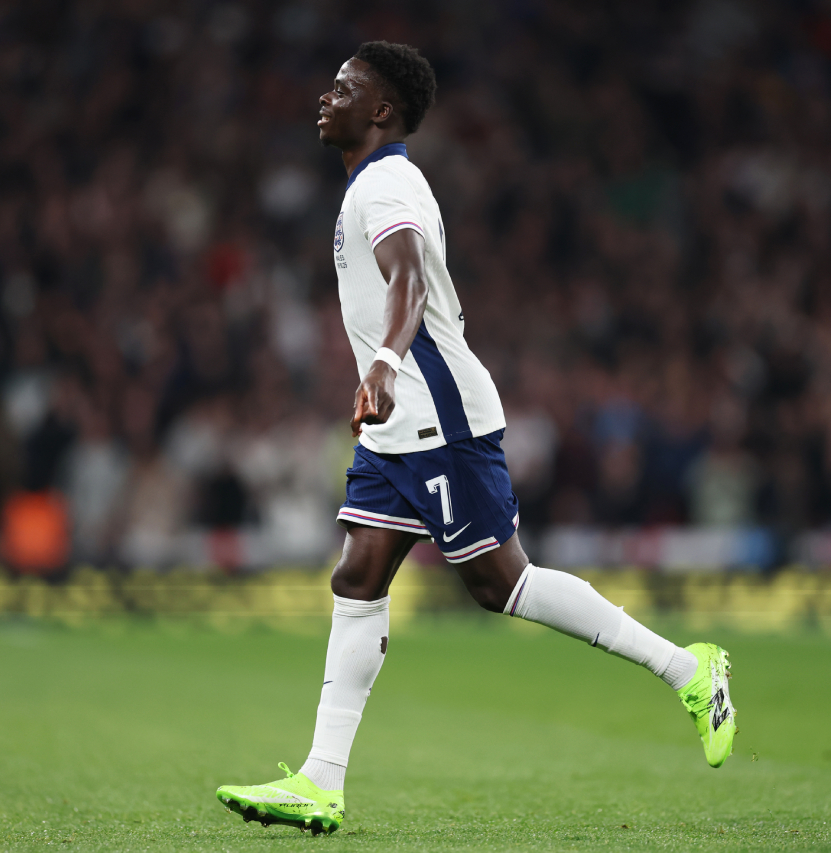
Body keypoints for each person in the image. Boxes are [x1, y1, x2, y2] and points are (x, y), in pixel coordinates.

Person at [216, 42, 736, 836]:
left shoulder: (387, 182)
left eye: (345, 87)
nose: (326, 96)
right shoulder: (369, 183)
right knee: (358, 574)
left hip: (437, 416)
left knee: (501, 583)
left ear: (381, 110)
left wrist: (384, 363)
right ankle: (321, 780)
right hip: (396, 427)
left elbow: (407, 278)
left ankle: (688, 668)